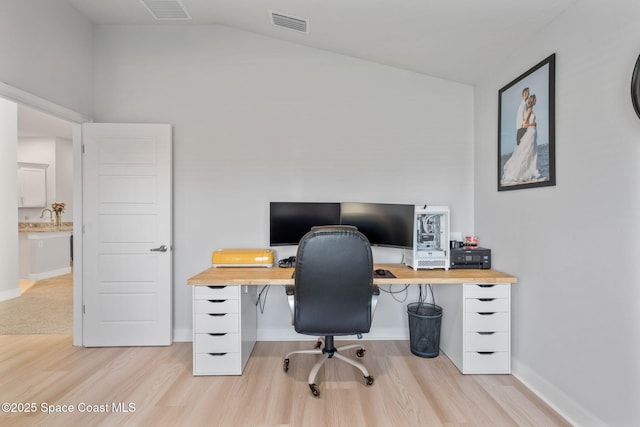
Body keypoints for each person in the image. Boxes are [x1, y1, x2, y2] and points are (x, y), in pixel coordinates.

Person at [502, 94, 540, 184]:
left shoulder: (531, 110)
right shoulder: (529, 110)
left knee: (532, 154)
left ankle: (529, 173)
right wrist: (533, 124)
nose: (536, 101)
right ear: (532, 100)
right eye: (535, 99)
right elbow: (524, 124)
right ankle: (519, 174)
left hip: (533, 135)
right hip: (530, 134)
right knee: (526, 154)